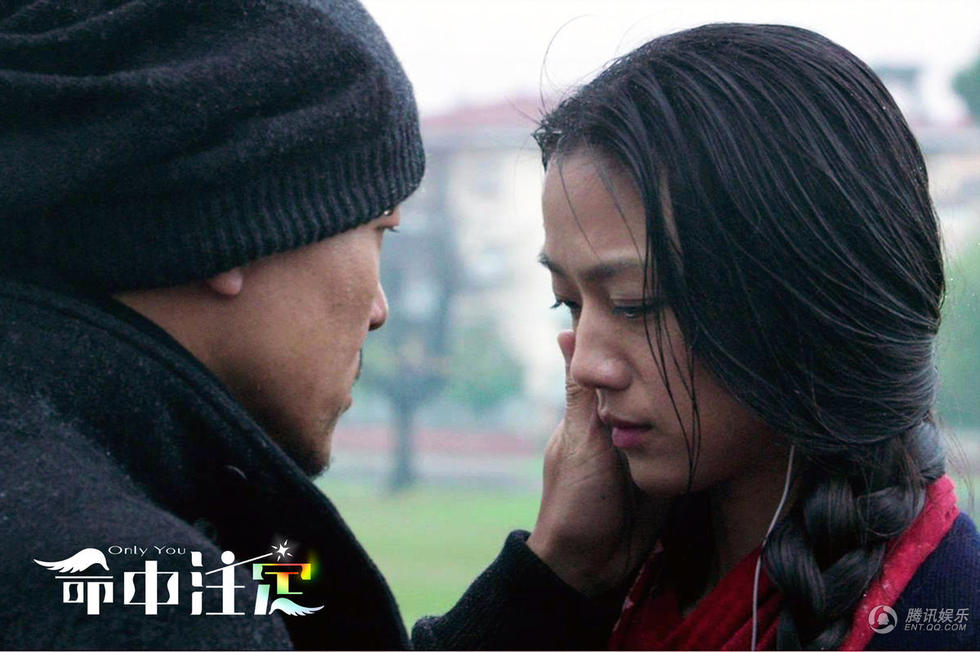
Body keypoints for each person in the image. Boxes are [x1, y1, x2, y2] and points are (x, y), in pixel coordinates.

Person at [0, 1, 652, 649]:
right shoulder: (146, 606)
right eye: (379, 230)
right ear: (240, 223)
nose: (379, 309)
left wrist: (555, 576)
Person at [532, 23, 980, 650]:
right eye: (570, 304)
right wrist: (547, 578)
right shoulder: (602, 578)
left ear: (810, 297)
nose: (586, 366)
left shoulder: (945, 618)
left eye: (636, 304)